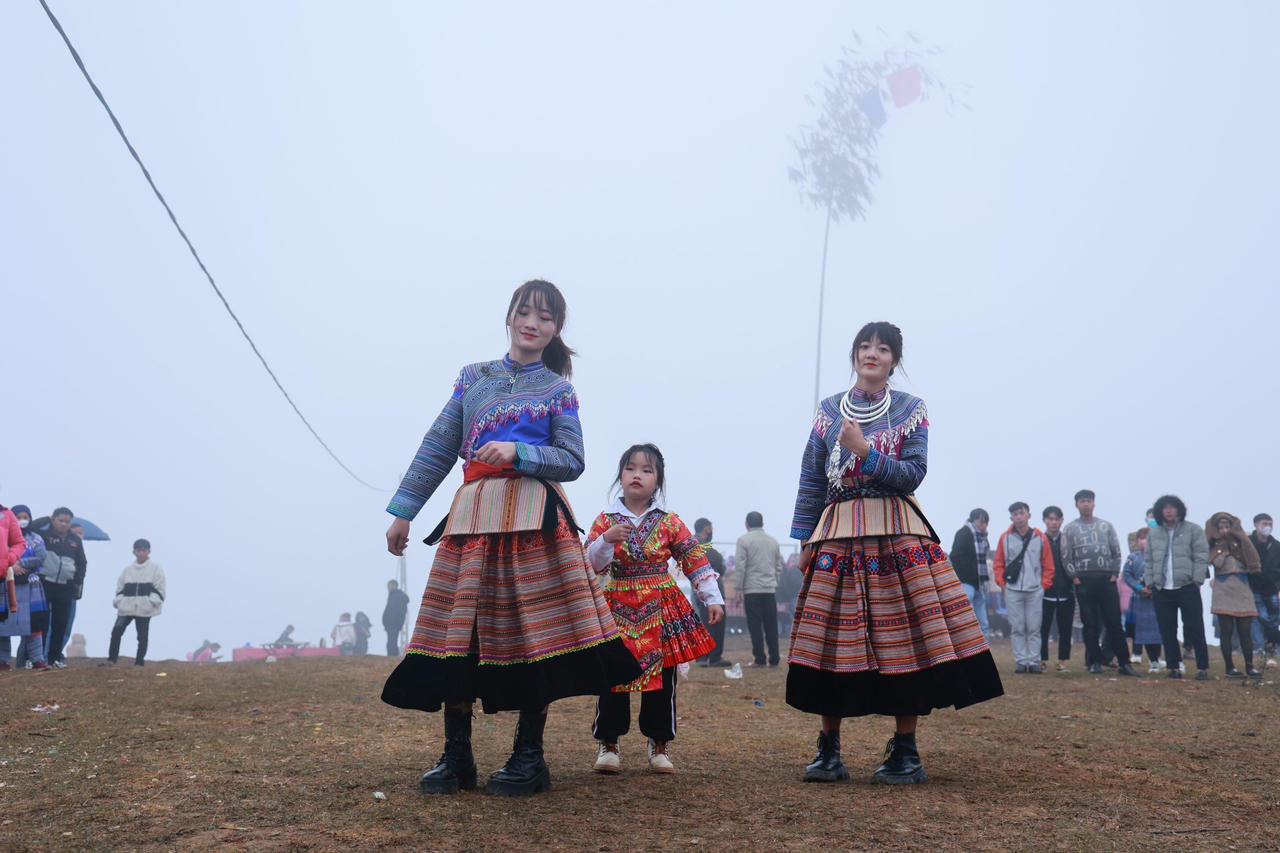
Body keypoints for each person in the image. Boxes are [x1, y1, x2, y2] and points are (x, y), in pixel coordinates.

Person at [379, 280, 639, 798]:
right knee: (462, 634)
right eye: (526, 312)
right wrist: (403, 511)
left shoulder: (558, 390)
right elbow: (437, 446)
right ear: (510, 316)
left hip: (535, 522)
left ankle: (529, 756)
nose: (533, 323)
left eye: (545, 317)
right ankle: (456, 757)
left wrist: (519, 455)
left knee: (531, 635)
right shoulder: (472, 378)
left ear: (556, 329)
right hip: (472, 517)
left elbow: (573, 459)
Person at [787, 321, 1002, 786]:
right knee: (830, 641)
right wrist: (804, 539)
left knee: (907, 638)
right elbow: (811, 478)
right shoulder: (827, 411)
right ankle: (829, 751)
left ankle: (906, 751)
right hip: (837, 533)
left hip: (897, 532)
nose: (872, 353)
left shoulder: (911, 409)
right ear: (854, 354)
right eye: (865, 346)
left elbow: (913, 474)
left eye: (883, 348)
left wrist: (864, 451)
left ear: (894, 360)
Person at [585, 444, 724, 775]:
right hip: (616, 603)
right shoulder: (605, 521)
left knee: (663, 677)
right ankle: (608, 744)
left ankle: (659, 744)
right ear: (620, 475)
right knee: (613, 676)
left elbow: (694, 559)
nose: (637, 475)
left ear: (658, 481)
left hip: (661, 608)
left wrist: (712, 596)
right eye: (631, 468)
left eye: (647, 470)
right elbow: (590, 564)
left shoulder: (669, 521)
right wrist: (605, 540)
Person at [1061, 490, 1136, 676]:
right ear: (1076, 505)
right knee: (1090, 624)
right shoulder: (1070, 529)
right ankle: (1095, 662)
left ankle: (1124, 663)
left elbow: (1116, 551)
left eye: (1088, 501)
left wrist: (1114, 574)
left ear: (1094, 503)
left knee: (1114, 623)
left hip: (1106, 580)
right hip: (1084, 581)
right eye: (1082, 501)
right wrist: (1075, 579)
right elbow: (1065, 556)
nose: (1085, 504)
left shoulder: (1106, 526)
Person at [1143, 495, 1210, 680]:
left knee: (1195, 627)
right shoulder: (1154, 534)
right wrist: (1151, 582)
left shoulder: (1193, 530)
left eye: (1172, 507)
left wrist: (1197, 580)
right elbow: (1148, 560)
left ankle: (1203, 667)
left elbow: (1202, 555)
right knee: (1167, 629)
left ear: (1179, 509)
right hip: (1162, 588)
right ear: (1159, 511)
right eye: (1165, 507)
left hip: (1187, 586)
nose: (1169, 510)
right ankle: (1173, 667)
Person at [993, 502, 1054, 674]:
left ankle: (1034, 661)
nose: (1019, 516)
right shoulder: (1005, 538)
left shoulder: (1040, 537)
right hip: (1013, 590)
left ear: (1028, 515)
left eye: (1022, 513)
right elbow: (998, 563)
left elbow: (1048, 564)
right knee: (1017, 626)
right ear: (1011, 517)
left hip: (1034, 589)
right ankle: (1021, 661)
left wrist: (1044, 585)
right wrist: (1002, 583)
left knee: (1034, 627)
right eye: (1015, 514)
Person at [1206, 512, 1262, 678]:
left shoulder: (1244, 542)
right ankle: (1229, 667)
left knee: (1245, 629)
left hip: (1242, 585)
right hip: (1223, 587)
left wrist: (1237, 548)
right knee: (1226, 629)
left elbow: (1252, 560)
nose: (1224, 530)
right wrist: (1223, 551)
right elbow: (1216, 563)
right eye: (1221, 527)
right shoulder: (1214, 545)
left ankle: (1250, 666)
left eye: (1227, 527)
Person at [31, 508, 86, 669]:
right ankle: (37, 658)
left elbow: (82, 563)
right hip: (45, 583)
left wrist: (77, 582)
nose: (63, 524)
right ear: (54, 520)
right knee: (42, 622)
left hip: (65, 586)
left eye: (67, 521)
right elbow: (31, 527)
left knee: (60, 623)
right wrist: (46, 519)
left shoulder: (75, 540)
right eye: (60, 520)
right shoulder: (44, 536)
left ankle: (55, 658)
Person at [1, 506, 51, 672]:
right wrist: (11, 566)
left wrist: (21, 563)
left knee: (34, 623)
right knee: (3, 623)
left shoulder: (36, 538)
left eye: (25, 517)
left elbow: (41, 557)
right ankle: (3, 661)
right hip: (6, 583)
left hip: (31, 585)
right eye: (18, 517)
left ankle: (37, 659)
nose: (22, 520)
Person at [736, 511, 784, 667]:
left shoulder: (743, 541)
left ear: (747, 524)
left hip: (752, 590)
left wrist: (738, 588)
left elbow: (740, 567)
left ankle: (760, 659)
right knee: (771, 625)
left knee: (755, 626)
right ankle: (775, 658)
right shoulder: (773, 541)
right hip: (769, 589)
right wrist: (773, 581)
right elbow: (779, 565)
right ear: (763, 524)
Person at [107, 539, 165, 667]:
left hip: (144, 609)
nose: (141, 553)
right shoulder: (127, 570)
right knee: (116, 632)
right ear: (134, 552)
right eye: (139, 550)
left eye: (144, 550)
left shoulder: (156, 569)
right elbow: (120, 588)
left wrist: (151, 602)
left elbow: (159, 588)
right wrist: (119, 601)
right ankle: (111, 659)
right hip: (126, 608)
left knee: (142, 636)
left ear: (149, 551)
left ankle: (139, 662)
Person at [1121, 528, 1162, 673]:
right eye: (1141, 538)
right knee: (1142, 632)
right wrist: (1139, 587)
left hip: (1155, 599)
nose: (1143, 541)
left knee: (1156, 632)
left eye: (1147, 538)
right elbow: (1127, 575)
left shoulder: (1160, 557)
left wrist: (1154, 589)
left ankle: (1156, 661)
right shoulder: (1132, 558)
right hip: (1139, 599)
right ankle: (1146, 657)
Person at [1039, 506, 1074, 672]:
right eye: (1050, 519)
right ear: (1044, 520)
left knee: (1065, 629)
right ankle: (1042, 659)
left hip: (1066, 592)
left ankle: (1062, 661)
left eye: (1056, 519)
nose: (1053, 522)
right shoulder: (1039, 539)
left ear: (1061, 521)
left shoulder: (1067, 540)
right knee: (1043, 629)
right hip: (1045, 593)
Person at [949, 509, 992, 641]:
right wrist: (967, 575)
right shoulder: (964, 533)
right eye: (982, 522)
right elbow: (955, 556)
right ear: (973, 520)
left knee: (983, 623)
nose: (984, 525)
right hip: (966, 583)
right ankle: (971, 651)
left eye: (986, 522)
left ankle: (985, 652)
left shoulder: (982, 537)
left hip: (979, 584)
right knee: (969, 622)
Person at [692, 518, 731, 667]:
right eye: (711, 527)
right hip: (707, 589)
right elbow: (717, 563)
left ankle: (709, 656)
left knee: (708, 622)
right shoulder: (699, 544)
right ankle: (710, 657)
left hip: (703, 589)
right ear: (707, 528)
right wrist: (719, 560)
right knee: (711, 623)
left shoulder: (698, 543)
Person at [1248, 514, 1280, 663]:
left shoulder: (1276, 545)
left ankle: (1272, 646)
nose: (1267, 526)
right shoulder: (1248, 543)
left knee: (1274, 618)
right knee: (1261, 617)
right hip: (1253, 587)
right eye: (1264, 523)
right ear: (1256, 525)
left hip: (1272, 588)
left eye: (1270, 523)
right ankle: (1261, 646)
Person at [382, 580, 410, 657]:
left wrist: (389, 620)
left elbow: (394, 610)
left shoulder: (396, 596)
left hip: (393, 622)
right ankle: (392, 656)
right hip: (393, 622)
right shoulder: (395, 595)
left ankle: (392, 657)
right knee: (391, 641)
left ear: (393, 585)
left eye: (389, 586)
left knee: (392, 642)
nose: (388, 588)